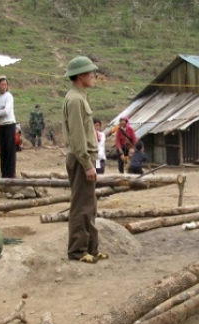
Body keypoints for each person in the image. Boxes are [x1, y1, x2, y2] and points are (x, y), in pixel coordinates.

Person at [63, 56, 109, 264]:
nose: (93, 76)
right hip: (82, 159)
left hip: (87, 158)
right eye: (90, 72)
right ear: (81, 75)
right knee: (81, 205)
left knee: (89, 205)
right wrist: (87, 163)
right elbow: (77, 136)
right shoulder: (74, 100)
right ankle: (77, 250)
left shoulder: (81, 97)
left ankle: (91, 247)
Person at [0, 76, 17, 178]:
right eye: (2, 84)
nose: (4, 86)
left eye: (5, 84)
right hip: (1, 125)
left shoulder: (9, 96)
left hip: (10, 124)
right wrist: (0, 110)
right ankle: (4, 172)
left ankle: (10, 173)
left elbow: (6, 111)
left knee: (10, 149)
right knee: (3, 149)